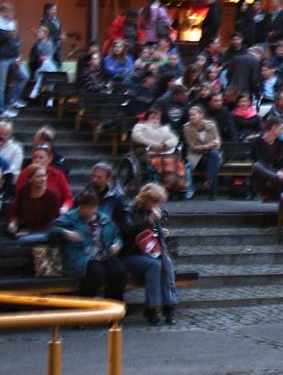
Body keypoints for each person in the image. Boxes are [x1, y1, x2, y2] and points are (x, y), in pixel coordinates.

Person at [50, 191, 127, 302]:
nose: (84, 211)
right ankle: (85, 306)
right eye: (82, 207)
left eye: (88, 208)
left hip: (103, 255)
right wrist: (66, 233)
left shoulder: (104, 219)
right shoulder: (71, 217)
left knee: (120, 271)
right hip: (81, 257)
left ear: (95, 208)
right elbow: (53, 230)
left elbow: (116, 235)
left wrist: (117, 244)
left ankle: (115, 305)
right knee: (96, 273)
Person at [121, 183, 179, 324]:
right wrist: (149, 221)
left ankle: (169, 306)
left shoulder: (152, 211)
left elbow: (151, 235)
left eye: (158, 202)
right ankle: (151, 308)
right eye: (154, 201)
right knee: (155, 266)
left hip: (149, 252)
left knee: (166, 263)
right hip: (130, 254)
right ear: (145, 199)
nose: (156, 205)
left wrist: (160, 233)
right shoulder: (129, 211)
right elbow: (127, 231)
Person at [183, 105, 223, 200]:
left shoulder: (211, 125)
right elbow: (192, 147)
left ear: (201, 115)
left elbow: (217, 140)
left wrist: (216, 144)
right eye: (190, 115)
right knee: (214, 159)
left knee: (213, 156)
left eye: (194, 115)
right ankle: (212, 189)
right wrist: (208, 146)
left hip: (211, 154)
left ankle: (209, 180)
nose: (191, 117)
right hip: (196, 156)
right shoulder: (187, 128)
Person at [0, 1, 30, 117]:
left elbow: (15, 42)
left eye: (11, 11)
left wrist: (18, 56)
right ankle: (2, 110)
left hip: (12, 56)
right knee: (1, 86)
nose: (9, 14)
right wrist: (8, 34)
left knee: (23, 76)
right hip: (2, 58)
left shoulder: (12, 24)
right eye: (6, 11)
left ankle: (12, 101)